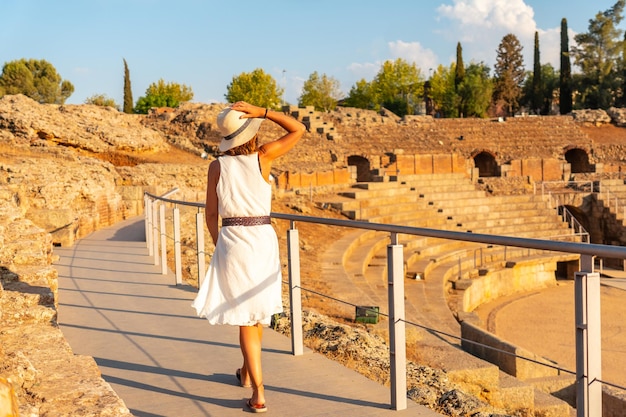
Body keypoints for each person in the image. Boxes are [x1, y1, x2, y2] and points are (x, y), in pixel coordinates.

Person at [192, 101, 305, 413]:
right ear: (251, 132)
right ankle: (253, 382)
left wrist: (220, 244)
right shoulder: (264, 157)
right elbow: (299, 129)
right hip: (262, 239)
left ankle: (255, 386)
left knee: (246, 316)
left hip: (232, 239)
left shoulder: (216, 166)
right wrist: (264, 112)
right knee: (254, 315)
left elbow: (211, 213)